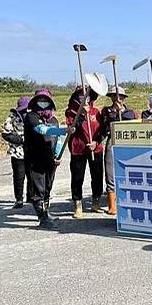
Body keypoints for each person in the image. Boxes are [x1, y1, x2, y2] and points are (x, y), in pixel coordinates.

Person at [23, 89, 66, 229]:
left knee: (48, 187)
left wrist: (58, 155)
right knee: (38, 189)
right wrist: (64, 130)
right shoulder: (31, 117)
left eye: (46, 101)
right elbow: (41, 129)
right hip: (35, 160)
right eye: (40, 101)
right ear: (35, 102)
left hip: (50, 159)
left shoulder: (54, 120)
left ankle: (46, 213)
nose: (43, 104)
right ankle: (42, 218)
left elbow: (57, 140)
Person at [65, 87, 105, 219]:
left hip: (95, 148)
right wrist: (81, 115)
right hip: (78, 149)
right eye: (81, 96)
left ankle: (96, 202)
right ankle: (78, 205)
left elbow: (102, 130)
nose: (84, 98)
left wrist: (96, 142)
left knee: (97, 175)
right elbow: (73, 128)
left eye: (86, 96)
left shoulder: (96, 112)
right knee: (77, 177)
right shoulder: (71, 113)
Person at [100, 86, 138, 215]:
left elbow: (132, 120)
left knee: (127, 170)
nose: (117, 99)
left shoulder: (130, 111)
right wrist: (114, 113)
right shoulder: (106, 111)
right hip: (112, 141)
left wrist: (120, 111)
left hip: (127, 142)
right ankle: (112, 203)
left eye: (120, 97)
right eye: (114, 96)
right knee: (110, 171)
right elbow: (105, 125)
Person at [1, 96, 32, 208]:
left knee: (32, 175)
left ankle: (31, 197)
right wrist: (20, 140)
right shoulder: (12, 118)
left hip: (31, 151)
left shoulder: (33, 116)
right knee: (19, 176)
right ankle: (19, 199)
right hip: (17, 152)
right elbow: (5, 133)